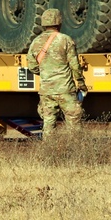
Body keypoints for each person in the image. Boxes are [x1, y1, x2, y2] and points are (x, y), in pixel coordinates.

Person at [26, 8, 88, 139]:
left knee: (48, 124)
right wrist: (81, 84)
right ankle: (76, 153)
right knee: (74, 123)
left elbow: (31, 66)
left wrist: (46, 72)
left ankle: (50, 152)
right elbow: (75, 66)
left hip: (46, 91)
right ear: (59, 22)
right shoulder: (65, 40)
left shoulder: (35, 42)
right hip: (65, 89)